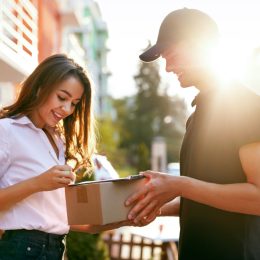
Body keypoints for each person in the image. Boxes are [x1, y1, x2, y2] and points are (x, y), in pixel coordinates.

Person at [125, 8, 260, 260]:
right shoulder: (196, 117)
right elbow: (205, 199)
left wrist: (179, 184)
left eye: (172, 55)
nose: (167, 68)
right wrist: (156, 208)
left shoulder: (247, 106)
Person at [0, 54, 132, 260]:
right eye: (62, 97)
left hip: (56, 249)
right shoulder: (7, 131)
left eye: (74, 103)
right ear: (40, 87)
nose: (67, 109)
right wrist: (37, 183)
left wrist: (127, 218)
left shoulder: (59, 142)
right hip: (21, 250)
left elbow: (64, 219)